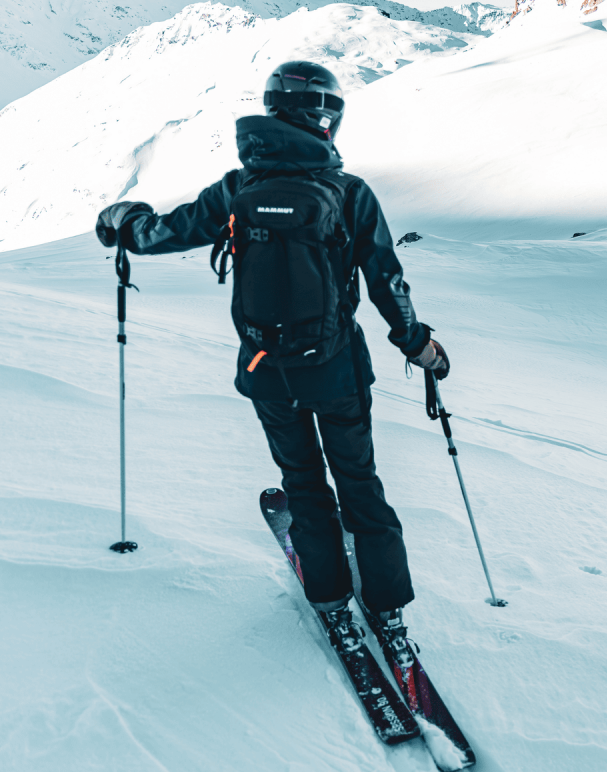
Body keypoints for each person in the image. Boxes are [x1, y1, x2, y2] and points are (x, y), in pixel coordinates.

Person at [94, 61, 448, 665]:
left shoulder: (238, 187)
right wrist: (417, 344)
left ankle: (331, 600)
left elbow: (161, 234)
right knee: (359, 482)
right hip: (337, 370)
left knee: (304, 484)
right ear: (327, 118)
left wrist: (122, 221)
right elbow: (388, 280)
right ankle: (386, 605)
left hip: (265, 372)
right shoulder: (349, 192)